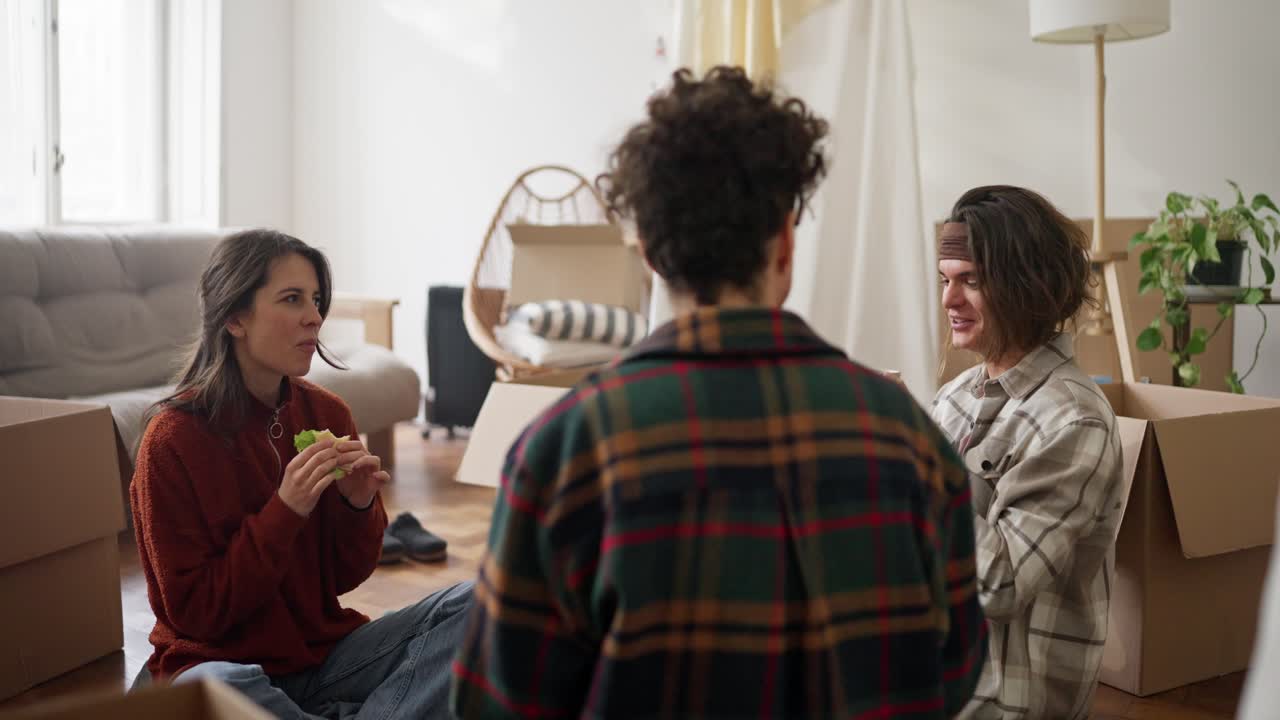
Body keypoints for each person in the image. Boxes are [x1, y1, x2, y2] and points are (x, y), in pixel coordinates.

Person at [451, 66, 986, 719]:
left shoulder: (563, 448)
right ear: (784, 244)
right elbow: (956, 669)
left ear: (650, 254)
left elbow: (496, 703)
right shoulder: (910, 436)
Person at [131, 229, 473, 718]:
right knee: (220, 685)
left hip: (324, 657)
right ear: (234, 317)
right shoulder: (172, 441)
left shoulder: (328, 414)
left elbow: (344, 577)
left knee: (477, 606)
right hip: (219, 661)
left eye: (315, 299)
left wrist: (358, 506)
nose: (314, 316)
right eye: (292, 299)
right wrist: (285, 509)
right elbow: (196, 615)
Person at [930, 186, 1125, 719]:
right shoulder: (954, 397)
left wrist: (915, 459)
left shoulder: (1075, 420)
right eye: (945, 280)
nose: (949, 300)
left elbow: (1001, 584)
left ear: (1025, 285)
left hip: (1003, 702)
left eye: (971, 281)